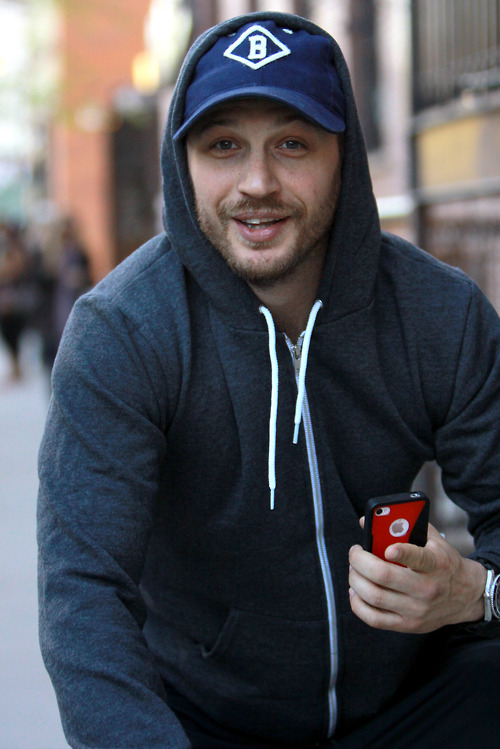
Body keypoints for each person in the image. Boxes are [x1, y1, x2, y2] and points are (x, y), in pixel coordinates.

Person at [37, 12, 500, 749]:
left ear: (343, 156)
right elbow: (83, 600)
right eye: (224, 146)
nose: (258, 183)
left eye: (293, 144)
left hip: (405, 706)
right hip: (205, 723)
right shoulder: (124, 331)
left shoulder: (440, 314)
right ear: (183, 162)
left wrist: (478, 592)